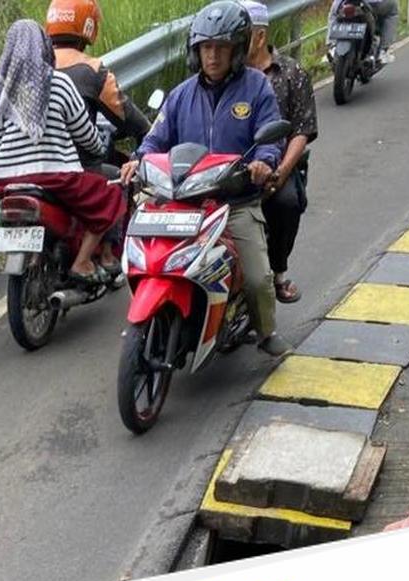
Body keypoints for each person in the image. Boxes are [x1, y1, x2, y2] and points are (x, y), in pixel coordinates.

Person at [121, 1, 292, 357]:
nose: (212, 56)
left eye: (221, 47)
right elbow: (155, 139)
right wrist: (137, 161)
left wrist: (263, 162)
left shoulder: (257, 87)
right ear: (195, 51)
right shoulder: (181, 95)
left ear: (237, 49)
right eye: (205, 47)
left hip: (235, 202)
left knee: (258, 278)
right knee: (148, 259)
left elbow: (270, 137)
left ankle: (265, 331)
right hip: (184, 200)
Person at [0, 19, 125, 283]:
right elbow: (86, 134)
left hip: (5, 180)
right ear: (44, 47)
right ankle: (82, 262)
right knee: (111, 195)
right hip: (55, 177)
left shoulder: (3, 89)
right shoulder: (59, 83)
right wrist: (98, 147)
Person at [242, 1, 318, 304]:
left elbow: (301, 129)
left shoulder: (291, 73)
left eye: (241, 35)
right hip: (231, 165)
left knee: (286, 203)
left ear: (260, 36)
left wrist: (282, 171)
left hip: (277, 162)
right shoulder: (229, 75)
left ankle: (277, 273)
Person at [46, 0, 151, 161]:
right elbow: (132, 120)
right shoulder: (93, 71)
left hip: (29, 167)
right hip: (77, 168)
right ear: (89, 25)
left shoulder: (33, 66)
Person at [329, 0, 399, 63]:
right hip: (372, 4)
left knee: (334, 13)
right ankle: (383, 51)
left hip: (344, 3)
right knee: (392, 8)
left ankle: (332, 45)